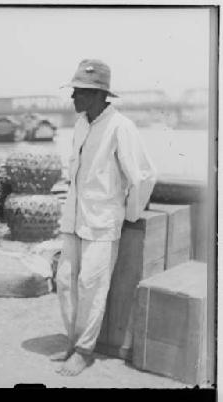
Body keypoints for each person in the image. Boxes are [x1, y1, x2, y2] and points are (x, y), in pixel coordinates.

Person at [52, 59, 157, 376]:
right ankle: (72, 341)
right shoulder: (82, 124)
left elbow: (143, 176)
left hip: (102, 220)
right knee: (64, 282)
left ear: (99, 95)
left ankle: (84, 350)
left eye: (80, 93)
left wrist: (130, 214)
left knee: (91, 286)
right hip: (74, 218)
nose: (73, 99)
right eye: (73, 92)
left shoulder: (121, 126)